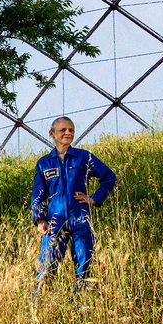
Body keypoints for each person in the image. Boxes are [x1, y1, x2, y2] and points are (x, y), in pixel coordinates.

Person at [32, 116, 116, 290]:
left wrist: (94, 198)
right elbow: (38, 194)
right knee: (46, 267)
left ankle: (81, 302)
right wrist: (40, 219)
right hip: (54, 221)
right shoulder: (44, 163)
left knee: (84, 266)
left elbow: (109, 176)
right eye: (63, 130)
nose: (68, 133)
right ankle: (39, 301)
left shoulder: (84, 157)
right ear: (52, 134)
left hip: (80, 218)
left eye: (71, 130)